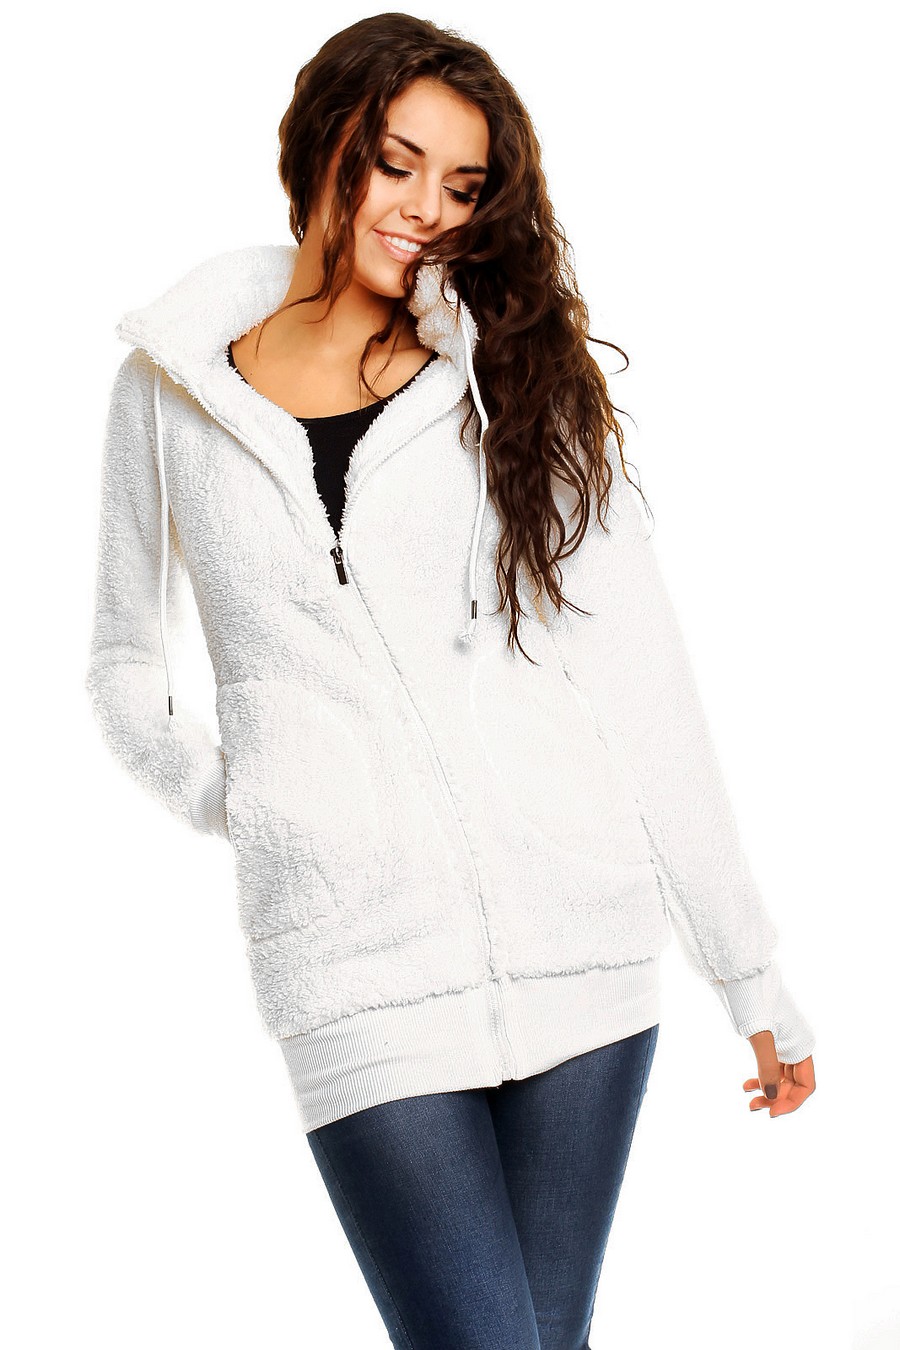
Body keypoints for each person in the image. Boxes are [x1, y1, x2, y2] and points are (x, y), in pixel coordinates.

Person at [84, 12, 817, 1348]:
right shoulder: (169, 389)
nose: (425, 209)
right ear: (324, 145)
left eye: (463, 185)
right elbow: (123, 663)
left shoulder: (505, 381)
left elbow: (640, 674)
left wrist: (748, 971)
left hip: (582, 952)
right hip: (354, 971)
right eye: (396, 163)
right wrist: (253, 802)